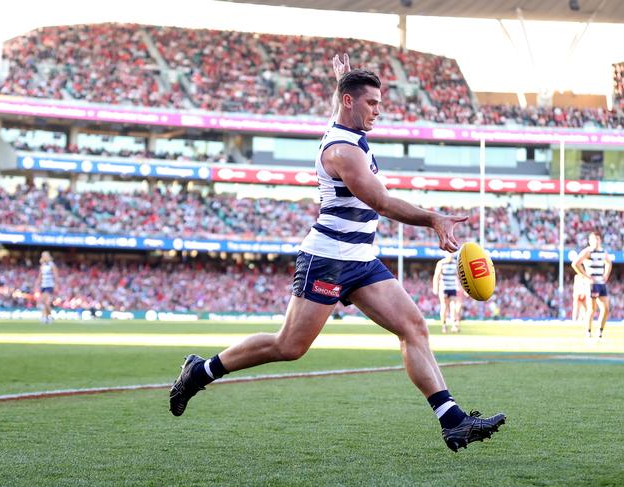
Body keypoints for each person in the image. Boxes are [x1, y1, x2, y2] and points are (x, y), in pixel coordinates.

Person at [169, 54, 505, 452]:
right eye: (371, 103)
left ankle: (453, 421)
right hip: (328, 258)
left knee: (413, 327)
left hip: (361, 259)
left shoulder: (349, 130)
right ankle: (201, 371)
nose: (378, 111)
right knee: (289, 347)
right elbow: (380, 202)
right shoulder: (342, 152)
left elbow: (344, 109)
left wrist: (344, 79)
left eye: (379, 103)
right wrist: (433, 218)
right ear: (349, 102)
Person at [571, 232, 612, 338]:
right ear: (590, 241)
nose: (596, 241)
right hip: (592, 284)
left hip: (601, 283)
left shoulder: (603, 252)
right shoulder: (587, 251)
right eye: (594, 239)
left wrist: (606, 275)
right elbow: (575, 264)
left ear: (600, 240)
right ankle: (588, 331)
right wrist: (586, 276)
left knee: (606, 308)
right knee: (592, 309)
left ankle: (600, 331)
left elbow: (609, 263)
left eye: (598, 239)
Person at [432, 251, 462, 333]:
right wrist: (435, 287)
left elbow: (458, 276)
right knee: (444, 307)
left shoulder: (455, 263)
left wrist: (460, 287)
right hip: (443, 288)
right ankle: (444, 325)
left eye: (452, 254)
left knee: (453, 307)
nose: (450, 255)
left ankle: (454, 325)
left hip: (452, 287)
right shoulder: (441, 263)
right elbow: (436, 276)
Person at [34, 251, 58, 324]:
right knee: (45, 303)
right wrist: (36, 284)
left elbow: (56, 275)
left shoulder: (52, 265)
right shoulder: (42, 265)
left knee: (43, 302)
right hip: (43, 286)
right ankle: (48, 317)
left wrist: (56, 285)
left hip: (49, 285)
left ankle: (46, 317)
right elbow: (40, 276)